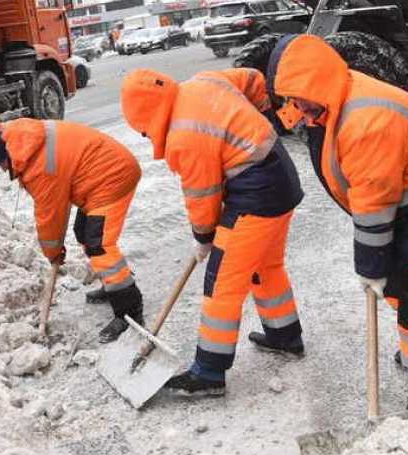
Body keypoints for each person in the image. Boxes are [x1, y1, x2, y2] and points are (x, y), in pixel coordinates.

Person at [267, 34, 408, 408]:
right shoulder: (330, 98)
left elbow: (373, 202)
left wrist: (370, 265)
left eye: (298, 97)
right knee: (404, 288)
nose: (295, 107)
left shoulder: (366, 120)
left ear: (317, 83)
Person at [120, 66, 304, 398]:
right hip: (281, 175)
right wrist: (263, 117)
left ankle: (209, 372)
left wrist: (204, 237)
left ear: (146, 117)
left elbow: (203, 196)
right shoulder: (203, 80)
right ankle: (284, 336)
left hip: (255, 194)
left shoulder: (183, 135)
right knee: (265, 266)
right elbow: (252, 79)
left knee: (222, 284)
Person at [0, 119, 143, 343]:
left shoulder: (39, 167)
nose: (3, 169)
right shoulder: (26, 138)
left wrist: (53, 252)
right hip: (96, 176)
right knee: (83, 232)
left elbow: (50, 215)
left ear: (8, 153)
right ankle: (112, 284)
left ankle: (129, 310)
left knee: (99, 245)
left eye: (1, 163)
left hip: (112, 177)